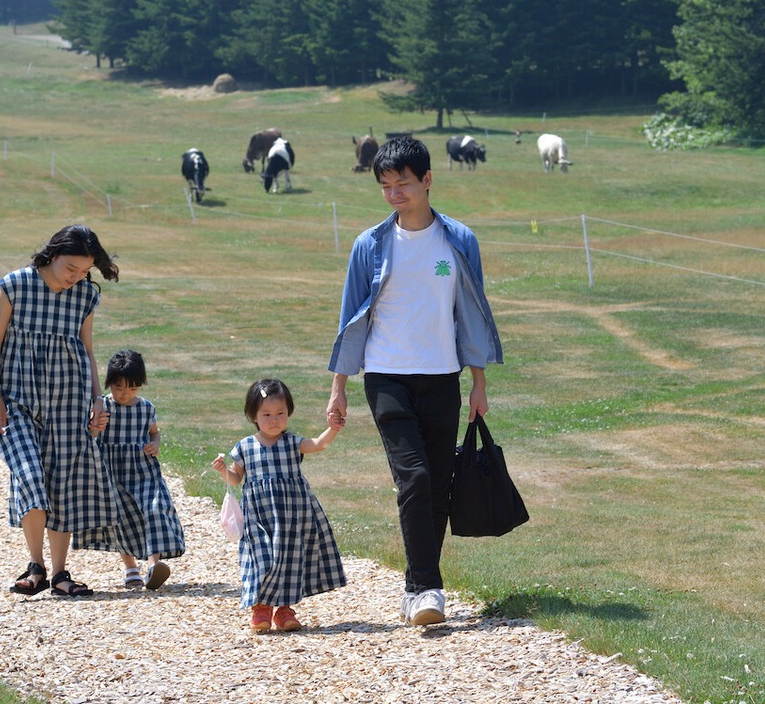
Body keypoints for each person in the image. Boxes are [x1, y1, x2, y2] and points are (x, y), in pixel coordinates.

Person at [326, 136, 503, 626]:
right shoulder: (371, 245)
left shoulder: (459, 241)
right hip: (387, 379)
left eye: (402, 183)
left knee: (440, 485)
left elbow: (470, 314)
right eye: (386, 186)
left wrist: (479, 383)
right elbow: (350, 318)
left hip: (442, 377)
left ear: (427, 179)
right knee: (416, 478)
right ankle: (424, 587)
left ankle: (419, 583)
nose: (394, 194)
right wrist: (338, 387)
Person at [0, 224, 120, 598]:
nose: (76, 278)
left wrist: (97, 400)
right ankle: (35, 564)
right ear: (53, 254)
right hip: (17, 400)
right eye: (70, 269)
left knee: (63, 485)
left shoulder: (85, 296)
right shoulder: (13, 286)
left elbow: (87, 351)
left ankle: (58, 574)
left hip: (69, 400)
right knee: (30, 475)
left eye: (83, 271)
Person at [212, 378, 347, 633]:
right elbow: (236, 478)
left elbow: (319, 444)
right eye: (267, 414)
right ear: (253, 415)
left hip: (292, 516)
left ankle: (284, 609)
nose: (274, 419)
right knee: (262, 558)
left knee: (288, 558)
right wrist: (223, 471)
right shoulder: (245, 447)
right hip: (259, 517)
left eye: (280, 413)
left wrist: (333, 429)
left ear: (289, 412)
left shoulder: (292, 443)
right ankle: (261, 607)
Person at [84, 349, 185, 590]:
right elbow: (92, 435)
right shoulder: (103, 406)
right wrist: (96, 427)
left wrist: (156, 444)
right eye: (119, 388)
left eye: (132, 388)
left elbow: (154, 432)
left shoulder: (146, 407)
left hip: (142, 470)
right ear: (110, 383)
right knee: (120, 518)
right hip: (112, 473)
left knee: (154, 509)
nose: (125, 393)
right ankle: (130, 568)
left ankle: (153, 565)